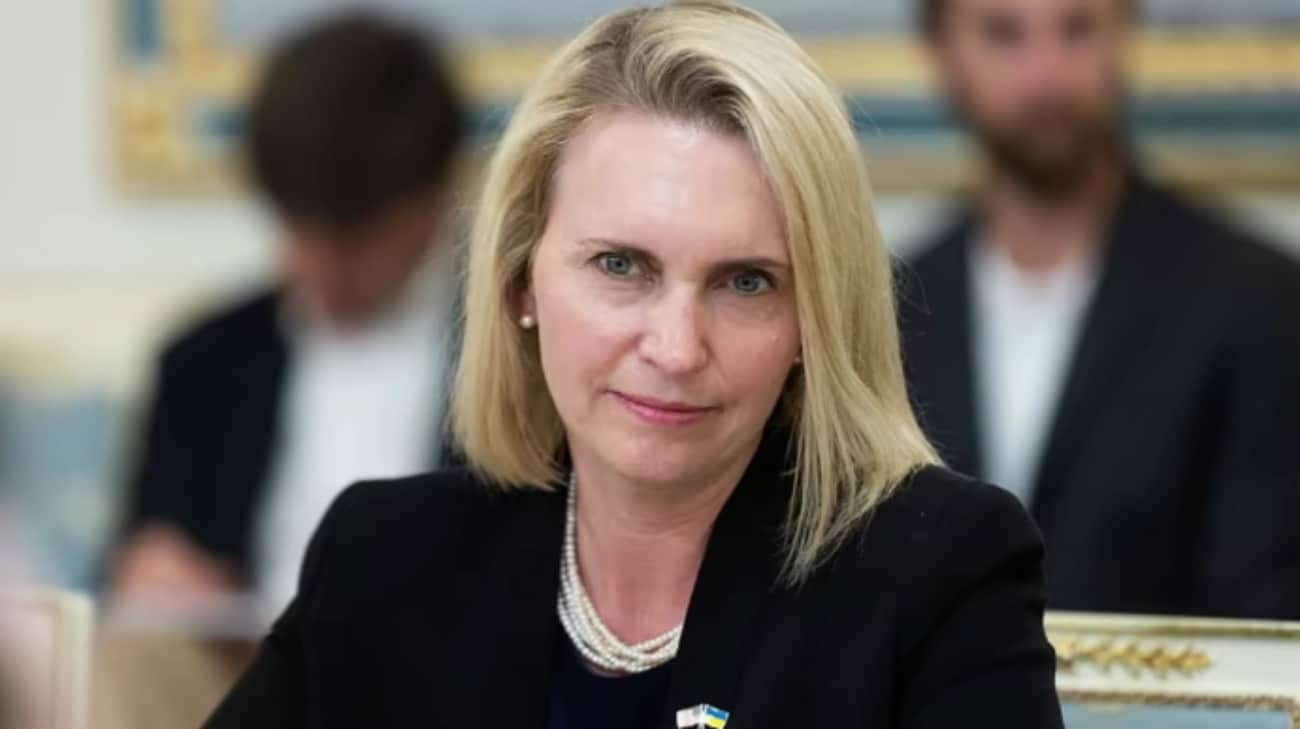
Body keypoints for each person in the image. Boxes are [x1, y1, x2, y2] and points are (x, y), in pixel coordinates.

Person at [206, 3, 1063, 727]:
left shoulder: (938, 574)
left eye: (746, 281)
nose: (677, 347)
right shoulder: (383, 558)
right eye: (622, 266)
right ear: (520, 280)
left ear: (815, 319)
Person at [898, 0, 1300, 617]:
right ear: (941, 51)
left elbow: (1268, 613)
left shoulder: (1257, 299)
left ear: (1125, 33)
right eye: (1003, 34)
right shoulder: (889, 309)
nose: (1047, 75)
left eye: (1078, 28)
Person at [111, 12, 468, 615]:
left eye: (353, 241)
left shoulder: (522, 352)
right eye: (297, 228)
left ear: (434, 204)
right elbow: (128, 575)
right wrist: (148, 578)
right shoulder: (201, 363)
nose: (316, 266)